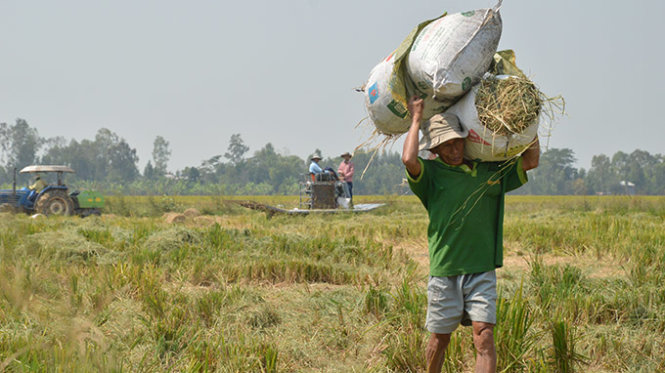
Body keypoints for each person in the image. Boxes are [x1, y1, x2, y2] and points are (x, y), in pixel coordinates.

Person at [401, 96, 539, 373]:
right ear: (436, 150)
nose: (453, 149)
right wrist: (416, 119)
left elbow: (531, 160)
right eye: (446, 145)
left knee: (484, 335)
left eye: (457, 141)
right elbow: (408, 158)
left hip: (481, 269)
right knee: (440, 339)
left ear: (466, 139)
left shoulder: (490, 171)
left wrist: (526, 118)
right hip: (446, 270)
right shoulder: (431, 176)